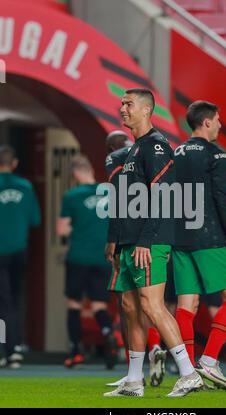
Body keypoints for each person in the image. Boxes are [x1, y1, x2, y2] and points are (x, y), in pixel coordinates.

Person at [104, 88, 203, 398]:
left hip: (151, 241)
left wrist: (146, 240)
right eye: (121, 103)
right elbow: (127, 201)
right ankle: (134, 380)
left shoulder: (157, 146)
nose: (122, 108)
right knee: (130, 305)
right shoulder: (134, 149)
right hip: (131, 242)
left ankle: (189, 374)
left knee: (151, 304)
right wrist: (117, 243)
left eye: (128, 104)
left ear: (146, 111)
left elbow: (163, 196)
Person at [173, 101, 226, 390]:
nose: (220, 125)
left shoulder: (175, 152)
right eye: (218, 120)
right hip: (208, 236)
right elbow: (222, 199)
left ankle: (187, 372)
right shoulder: (216, 154)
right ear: (206, 123)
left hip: (179, 238)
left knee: (186, 305)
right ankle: (210, 360)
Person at [104, 130, 167, 388]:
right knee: (151, 303)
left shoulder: (116, 159)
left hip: (132, 239)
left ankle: (140, 368)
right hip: (156, 237)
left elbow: (118, 200)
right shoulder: (148, 153)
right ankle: (152, 351)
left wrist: (112, 240)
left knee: (130, 306)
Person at [57, 155, 116, 369]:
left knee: (74, 303)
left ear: (74, 174)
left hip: (78, 257)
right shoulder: (109, 192)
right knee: (99, 305)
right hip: (103, 257)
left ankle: (75, 352)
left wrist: (78, 227)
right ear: (91, 169)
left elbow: (61, 229)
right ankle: (108, 333)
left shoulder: (72, 196)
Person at [0, 145, 41, 368]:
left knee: (3, 303)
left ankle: (7, 348)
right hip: (19, 250)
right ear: (14, 163)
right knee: (16, 300)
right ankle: (15, 348)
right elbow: (35, 220)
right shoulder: (25, 186)